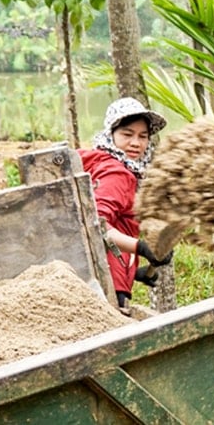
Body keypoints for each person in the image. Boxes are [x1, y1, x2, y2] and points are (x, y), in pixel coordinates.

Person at [79, 97, 173, 312]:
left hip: (106, 275)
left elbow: (116, 227)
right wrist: (142, 248)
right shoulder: (118, 173)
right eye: (127, 134)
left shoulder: (104, 164)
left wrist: (134, 271)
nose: (136, 143)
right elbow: (96, 225)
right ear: (110, 134)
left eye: (143, 136)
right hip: (107, 284)